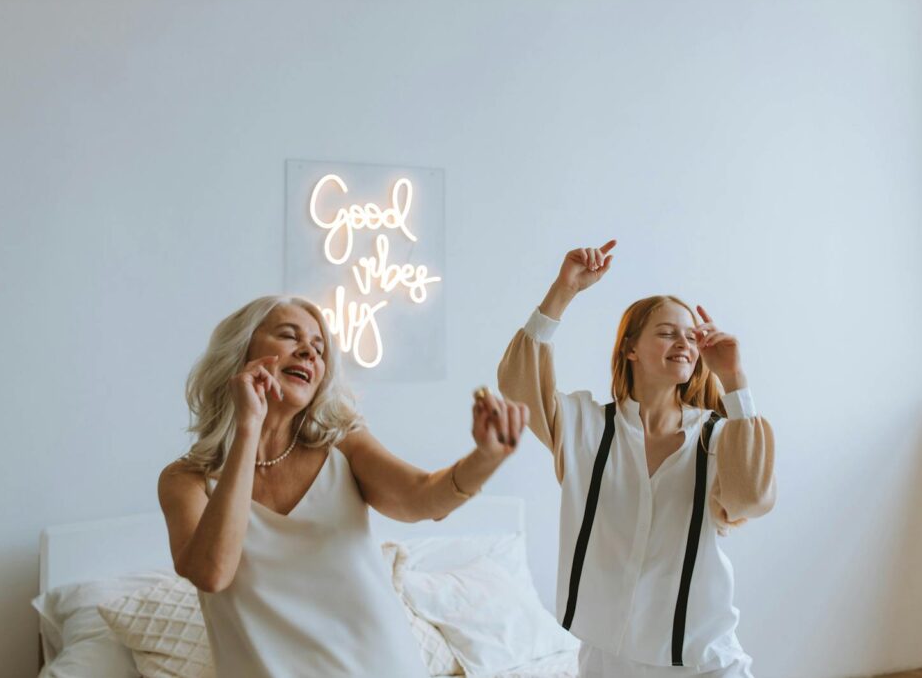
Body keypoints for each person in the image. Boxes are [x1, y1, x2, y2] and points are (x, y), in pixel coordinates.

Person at [158, 294, 528, 677]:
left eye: (319, 349)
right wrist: (249, 427)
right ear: (241, 351)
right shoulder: (186, 481)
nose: (308, 353)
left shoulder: (344, 446)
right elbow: (212, 574)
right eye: (289, 336)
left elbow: (423, 497)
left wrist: (485, 458)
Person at [497, 240, 775, 678]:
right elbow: (517, 385)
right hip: (608, 657)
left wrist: (735, 381)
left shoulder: (718, 436)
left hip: (701, 658)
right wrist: (564, 289)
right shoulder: (585, 426)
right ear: (630, 349)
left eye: (691, 335)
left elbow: (752, 498)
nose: (683, 341)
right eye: (667, 332)